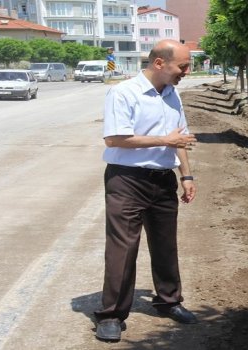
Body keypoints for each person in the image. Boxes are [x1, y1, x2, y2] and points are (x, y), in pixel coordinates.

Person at [95, 39, 198, 342]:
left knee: (166, 245)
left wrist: (186, 175)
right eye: (182, 66)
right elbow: (115, 139)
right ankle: (111, 314)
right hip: (127, 180)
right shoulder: (123, 92)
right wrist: (165, 141)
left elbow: (179, 138)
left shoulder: (172, 94)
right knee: (123, 248)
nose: (186, 71)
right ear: (159, 63)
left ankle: (169, 301)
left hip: (163, 180)